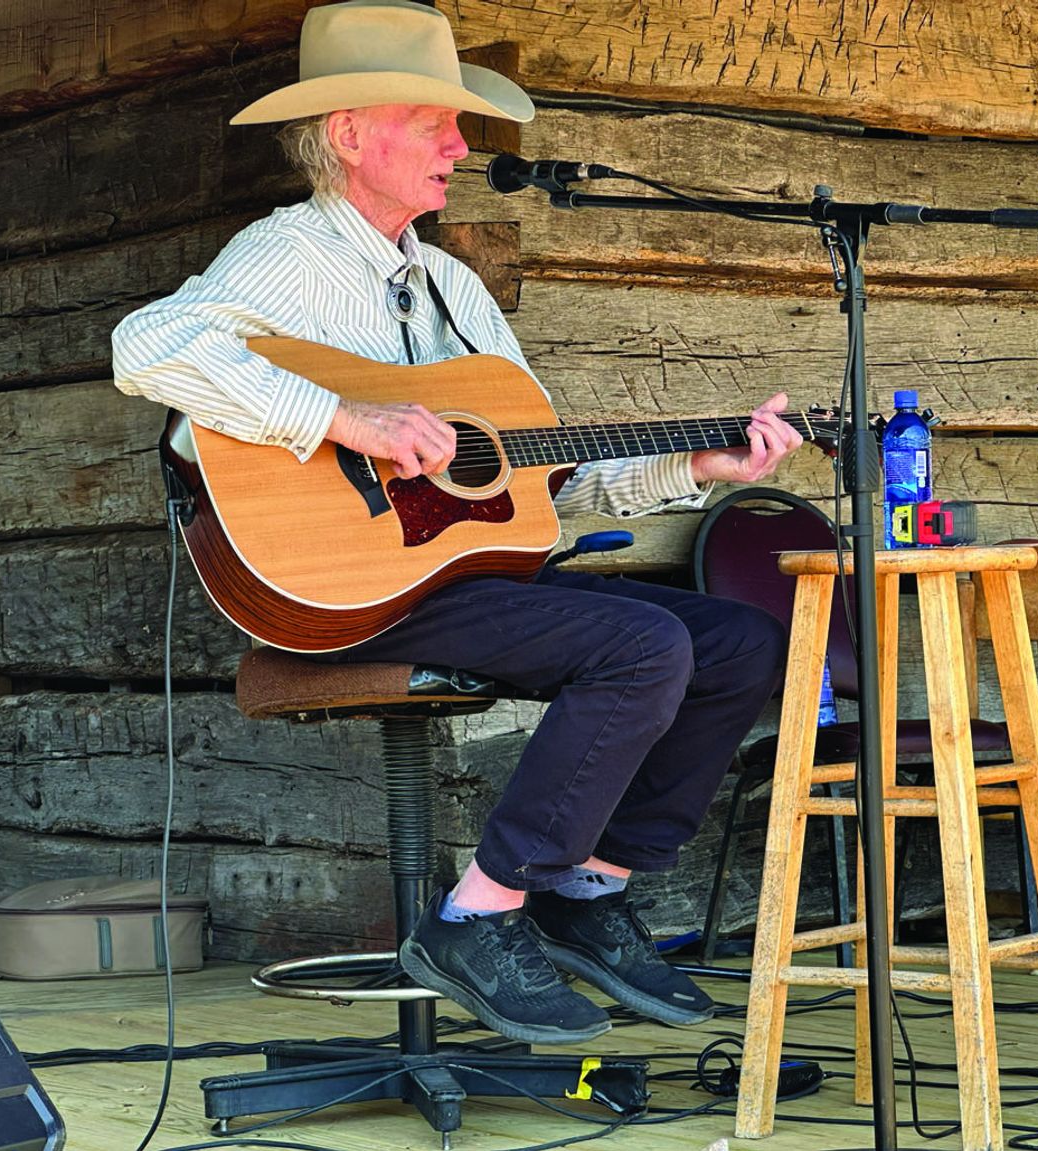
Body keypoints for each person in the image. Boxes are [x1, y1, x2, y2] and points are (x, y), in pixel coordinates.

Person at [112, 0, 803, 1046]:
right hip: (340, 587)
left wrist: (691, 464)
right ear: (349, 134)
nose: (459, 143)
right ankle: (476, 915)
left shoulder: (451, 290)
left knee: (740, 640)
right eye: (432, 119)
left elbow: (531, 484)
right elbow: (145, 346)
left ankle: (587, 881)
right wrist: (348, 416)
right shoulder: (288, 254)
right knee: (643, 643)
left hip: (464, 583)